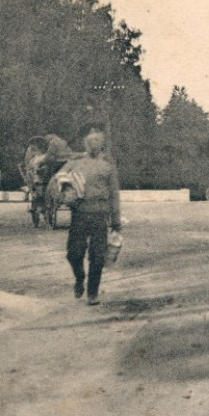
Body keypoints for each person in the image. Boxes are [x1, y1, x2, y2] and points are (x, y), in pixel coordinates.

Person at [66, 126, 121, 305]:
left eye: (96, 140)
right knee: (73, 254)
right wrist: (66, 195)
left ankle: (92, 293)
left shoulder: (108, 165)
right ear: (85, 143)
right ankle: (79, 277)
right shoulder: (76, 162)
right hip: (79, 214)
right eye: (89, 141)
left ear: (102, 143)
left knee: (97, 256)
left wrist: (116, 220)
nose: (92, 144)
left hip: (99, 214)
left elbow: (114, 193)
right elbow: (60, 181)